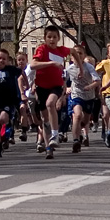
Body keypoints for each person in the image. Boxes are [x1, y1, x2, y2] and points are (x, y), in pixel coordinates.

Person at [30, 25, 71, 154]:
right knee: (44, 119)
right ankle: (48, 147)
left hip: (56, 86)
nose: (52, 39)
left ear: (58, 38)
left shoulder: (61, 50)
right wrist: (51, 63)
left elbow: (74, 51)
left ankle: (55, 134)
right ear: (45, 38)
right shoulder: (42, 49)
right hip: (41, 87)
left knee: (50, 103)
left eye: (54, 37)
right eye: (49, 37)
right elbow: (32, 65)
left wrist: (80, 67)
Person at [66, 44, 101, 154]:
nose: (78, 55)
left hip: (89, 96)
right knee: (77, 115)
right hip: (76, 95)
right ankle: (76, 140)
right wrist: (65, 88)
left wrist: (90, 86)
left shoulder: (89, 67)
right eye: (75, 54)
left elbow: (98, 81)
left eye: (80, 53)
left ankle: (79, 130)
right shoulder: (70, 69)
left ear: (84, 55)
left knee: (85, 121)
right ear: (71, 57)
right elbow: (62, 80)